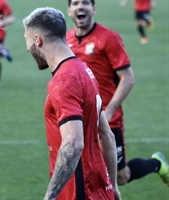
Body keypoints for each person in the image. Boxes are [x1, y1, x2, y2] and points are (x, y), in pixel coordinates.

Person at [66, 0, 169, 187]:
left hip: (108, 120)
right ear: (69, 10)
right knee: (84, 173)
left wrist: (110, 110)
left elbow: (128, 78)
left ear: (94, 9)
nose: (80, 6)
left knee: (120, 177)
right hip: (81, 119)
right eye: (75, 3)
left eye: (86, 3)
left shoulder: (108, 38)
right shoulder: (67, 40)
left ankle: (157, 165)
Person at [23, 7, 121, 200]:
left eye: (26, 40)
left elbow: (74, 143)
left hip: (79, 190)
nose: (27, 48)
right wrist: (114, 186)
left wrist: (49, 197)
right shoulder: (84, 69)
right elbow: (107, 135)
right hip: (100, 188)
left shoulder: (64, 80)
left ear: (37, 40)